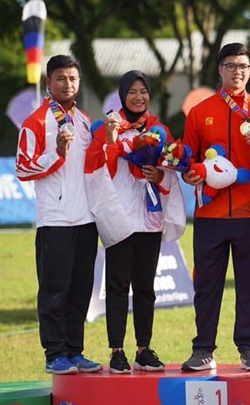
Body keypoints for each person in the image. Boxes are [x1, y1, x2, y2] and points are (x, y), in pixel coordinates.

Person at [181, 42, 250, 372]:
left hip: (249, 215)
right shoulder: (199, 112)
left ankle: (249, 348)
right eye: (232, 66)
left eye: (244, 67)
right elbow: (187, 159)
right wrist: (191, 172)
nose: (238, 72)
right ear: (220, 69)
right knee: (207, 286)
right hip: (209, 215)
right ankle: (203, 348)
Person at [84, 70, 186, 374]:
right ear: (122, 94)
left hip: (149, 219)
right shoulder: (108, 127)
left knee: (145, 288)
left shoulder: (159, 129)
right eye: (132, 92)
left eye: (143, 91)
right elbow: (95, 165)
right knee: (117, 287)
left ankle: (144, 349)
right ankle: (117, 351)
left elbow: (169, 169)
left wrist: (160, 175)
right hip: (119, 218)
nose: (138, 97)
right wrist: (115, 142)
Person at [15, 55, 102, 375]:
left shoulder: (83, 120)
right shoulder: (36, 121)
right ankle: (55, 354)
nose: (68, 84)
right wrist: (57, 153)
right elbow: (22, 168)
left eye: (73, 79)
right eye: (61, 79)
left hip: (85, 220)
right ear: (49, 83)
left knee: (80, 291)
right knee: (55, 291)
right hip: (55, 220)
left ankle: (75, 351)